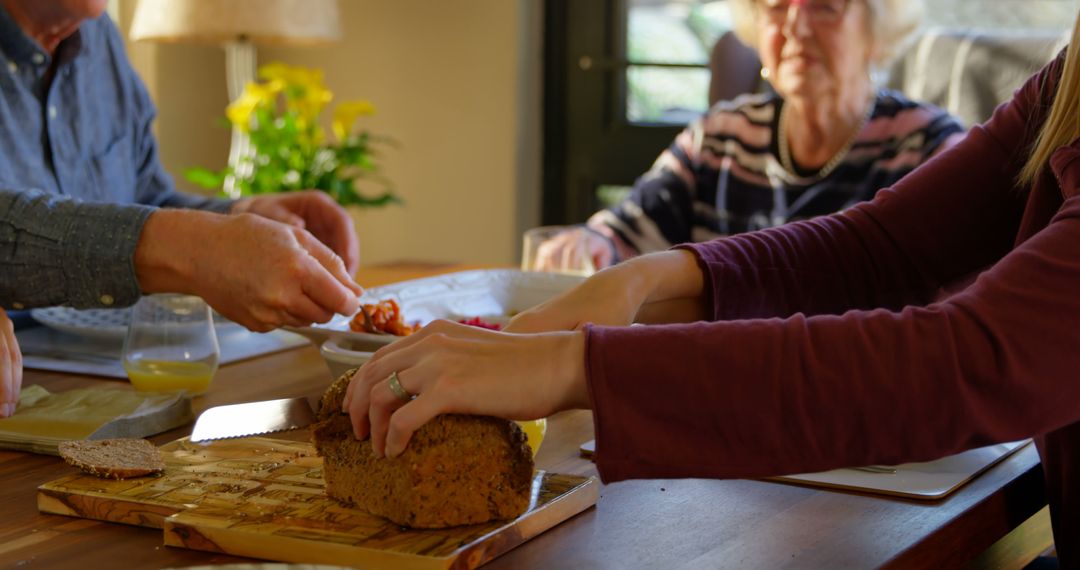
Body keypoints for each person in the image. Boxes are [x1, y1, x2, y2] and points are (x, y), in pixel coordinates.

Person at [342, 6, 1080, 566]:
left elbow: (965, 363)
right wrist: (643, 280)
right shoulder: (1068, 79)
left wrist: (573, 367)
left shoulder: (926, 126)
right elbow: (882, 249)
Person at [0, 0, 362, 416]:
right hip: (22, 398)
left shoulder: (99, 38)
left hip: (126, 387)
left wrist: (243, 216)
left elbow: (145, 202)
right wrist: (197, 246)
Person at [536, 0, 964, 270]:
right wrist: (587, 243)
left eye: (825, 6)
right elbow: (622, 234)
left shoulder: (928, 150)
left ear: (876, 27)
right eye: (776, 6)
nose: (796, 25)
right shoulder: (720, 138)